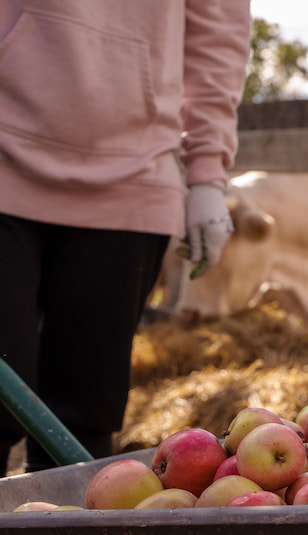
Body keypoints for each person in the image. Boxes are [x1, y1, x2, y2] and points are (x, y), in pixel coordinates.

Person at [0, 1, 253, 472]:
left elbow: (218, 31)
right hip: (5, 151)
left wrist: (206, 175)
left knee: (84, 414)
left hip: (132, 176)